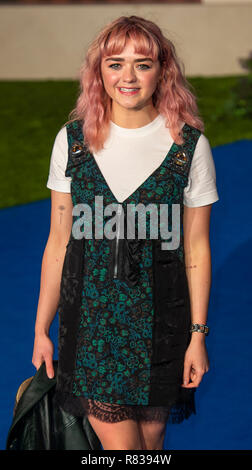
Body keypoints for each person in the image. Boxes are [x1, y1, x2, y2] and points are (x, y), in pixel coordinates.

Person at [32, 15, 219, 451]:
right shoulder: (73, 143)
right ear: (98, 71)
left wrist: (197, 336)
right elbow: (58, 242)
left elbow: (196, 248)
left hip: (162, 325)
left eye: (142, 64)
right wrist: (42, 327)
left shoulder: (188, 148)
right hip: (93, 325)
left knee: (152, 446)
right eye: (115, 63)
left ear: (163, 70)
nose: (128, 77)